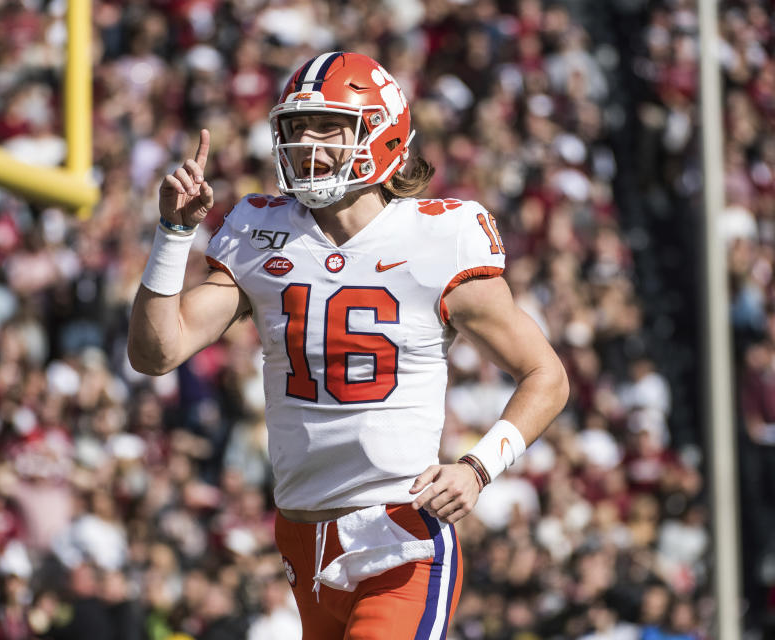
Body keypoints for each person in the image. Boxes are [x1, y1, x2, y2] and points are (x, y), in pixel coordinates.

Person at [128, 51, 569, 640]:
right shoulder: (261, 232)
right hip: (299, 537)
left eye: (328, 125)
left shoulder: (438, 237)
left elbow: (546, 375)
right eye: (295, 126)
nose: (306, 142)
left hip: (398, 535)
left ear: (382, 134)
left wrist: (478, 468)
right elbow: (156, 353)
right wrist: (173, 235)